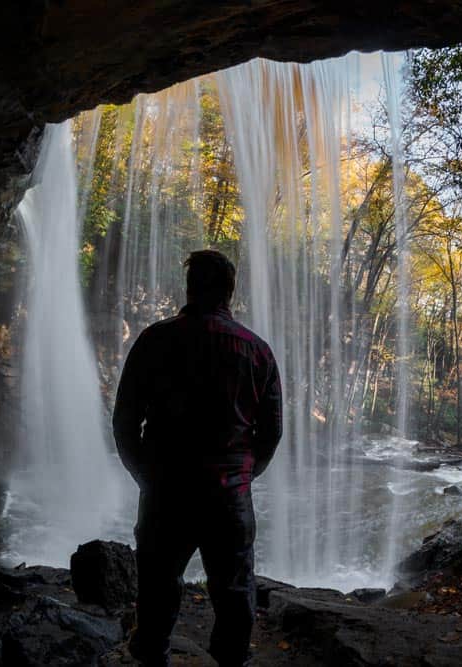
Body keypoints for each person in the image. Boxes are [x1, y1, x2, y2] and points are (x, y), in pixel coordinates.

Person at [112, 249, 283, 666]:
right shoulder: (257, 351)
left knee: (156, 590)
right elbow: (271, 432)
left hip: (166, 491)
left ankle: (153, 657)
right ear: (230, 292)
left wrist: (147, 477)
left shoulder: (155, 340)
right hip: (229, 497)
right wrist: (243, 475)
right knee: (235, 594)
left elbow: (124, 422)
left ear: (189, 288)